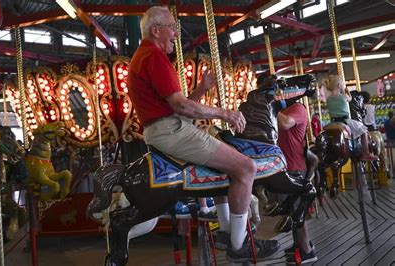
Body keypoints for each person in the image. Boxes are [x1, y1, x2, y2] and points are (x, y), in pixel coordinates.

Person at [128, 6, 276, 261]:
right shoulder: (153, 57)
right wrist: (226, 113)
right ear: (156, 30)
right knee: (246, 168)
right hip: (170, 131)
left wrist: (201, 89)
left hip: (169, 126)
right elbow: (182, 107)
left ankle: (227, 229)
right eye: (172, 28)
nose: (175, 33)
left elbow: (178, 107)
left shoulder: (146, 56)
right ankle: (239, 246)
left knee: (227, 161)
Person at [277, 103, 318, 264]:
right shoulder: (284, 110)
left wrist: (271, 106)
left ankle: (307, 250)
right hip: (285, 165)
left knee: (297, 211)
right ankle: (298, 244)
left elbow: (285, 123)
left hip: (295, 166)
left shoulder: (298, 108)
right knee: (291, 210)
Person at [325, 75, 377, 161]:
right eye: (342, 84)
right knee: (364, 130)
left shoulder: (328, 99)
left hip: (333, 122)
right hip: (345, 120)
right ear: (339, 86)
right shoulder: (343, 97)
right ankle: (366, 153)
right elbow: (350, 98)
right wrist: (346, 90)